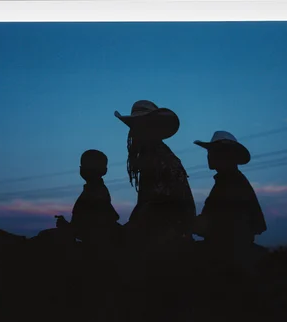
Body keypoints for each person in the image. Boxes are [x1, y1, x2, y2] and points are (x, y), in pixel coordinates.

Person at [114, 100, 196, 251]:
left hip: (166, 242)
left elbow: (155, 208)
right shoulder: (156, 155)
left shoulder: (158, 158)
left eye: (140, 126)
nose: (135, 132)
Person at [192, 131, 267, 259]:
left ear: (227, 156)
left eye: (214, 152)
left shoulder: (229, 183)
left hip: (230, 255)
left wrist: (184, 223)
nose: (209, 156)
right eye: (209, 152)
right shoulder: (232, 180)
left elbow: (214, 224)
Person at [54, 149, 122, 250]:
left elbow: (90, 228)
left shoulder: (96, 193)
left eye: (88, 166)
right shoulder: (93, 191)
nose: (82, 168)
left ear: (103, 170)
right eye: (82, 165)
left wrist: (66, 227)